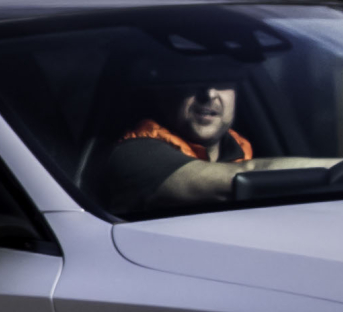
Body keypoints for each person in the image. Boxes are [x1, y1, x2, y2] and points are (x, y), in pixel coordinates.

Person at [102, 71, 257, 210]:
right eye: (193, 79)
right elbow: (236, 181)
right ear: (164, 94)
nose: (209, 94)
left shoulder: (242, 148)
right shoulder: (135, 154)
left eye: (223, 80)